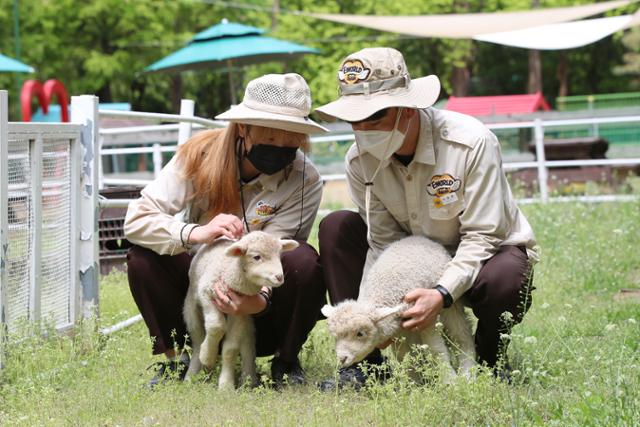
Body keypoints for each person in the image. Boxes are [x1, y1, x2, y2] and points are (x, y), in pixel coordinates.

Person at [315, 47, 539, 390]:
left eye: (374, 116)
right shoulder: (359, 160)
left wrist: (442, 293)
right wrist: (374, 315)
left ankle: (490, 357)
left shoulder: (471, 142)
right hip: (412, 258)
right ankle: (368, 365)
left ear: (407, 108)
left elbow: (483, 236)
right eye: (354, 119)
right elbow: (382, 241)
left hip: (480, 255)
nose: (362, 129)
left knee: (506, 276)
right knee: (337, 227)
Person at [124, 73, 329, 387]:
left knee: (303, 260)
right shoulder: (198, 155)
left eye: (292, 137)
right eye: (272, 136)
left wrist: (258, 299)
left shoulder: (304, 179)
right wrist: (195, 232)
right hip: (197, 290)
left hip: (259, 309)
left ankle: (285, 361)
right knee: (144, 257)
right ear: (243, 128)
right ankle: (177, 357)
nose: (283, 145)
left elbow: (282, 249)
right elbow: (137, 220)